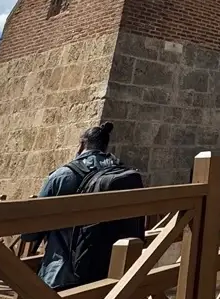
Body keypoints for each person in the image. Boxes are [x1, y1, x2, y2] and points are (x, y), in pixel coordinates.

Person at [24, 122, 144, 287]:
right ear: (105, 146)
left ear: (81, 145)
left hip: (62, 273)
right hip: (110, 271)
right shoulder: (122, 173)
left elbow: (30, 232)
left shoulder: (62, 176)